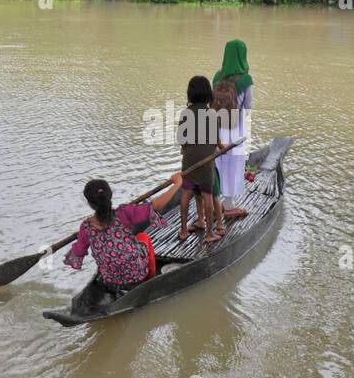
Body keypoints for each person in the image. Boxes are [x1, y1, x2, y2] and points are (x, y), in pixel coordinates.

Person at [64, 173, 181, 292]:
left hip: (111, 279)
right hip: (137, 274)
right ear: (109, 197)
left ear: (90, 204)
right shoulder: (123, 213)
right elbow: (157, 205)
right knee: (143, 237)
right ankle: (150, 276)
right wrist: (178, 183)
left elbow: (78, 252)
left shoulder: (86, 227)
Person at [178, 74, 220, 244]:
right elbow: (214, 141)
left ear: (190, 94)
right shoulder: (212, 114)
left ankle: (182, 230)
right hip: (206, 160)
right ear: (208, 94)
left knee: (186, 193)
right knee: (207, 194)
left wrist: (189, 150)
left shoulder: (185, 113)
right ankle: (210, 233)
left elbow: (181, 138)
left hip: (189, 159)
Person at [212, 79, 248, 222]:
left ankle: (218, 203)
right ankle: (228, 205)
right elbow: (249, 106)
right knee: (231, 167)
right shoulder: (245, 81)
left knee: (217, 167)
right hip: (232, 136)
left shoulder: (217, 77)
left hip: (218, 135)